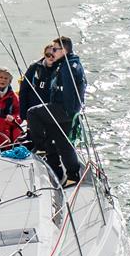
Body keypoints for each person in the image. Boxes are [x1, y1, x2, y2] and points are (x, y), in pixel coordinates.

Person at [24, 36, 87, 188]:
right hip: (65, 109)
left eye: (55, 49)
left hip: (64, 109)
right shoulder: (71, 63)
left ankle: (40, 147)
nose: (52, 52)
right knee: (63, 142)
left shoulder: (68, 67)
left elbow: (70, 90)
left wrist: (68, 112)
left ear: (63, 50)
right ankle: (72, 175)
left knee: (33, 113)